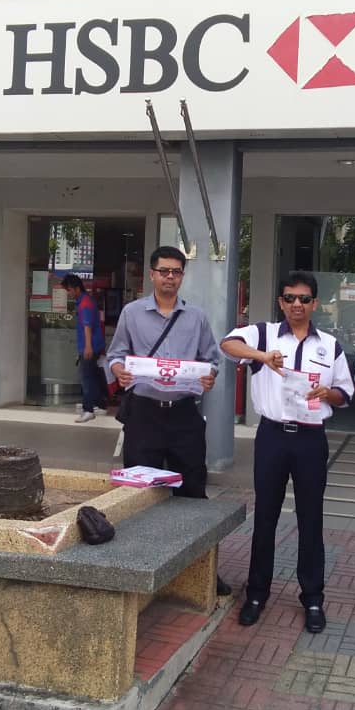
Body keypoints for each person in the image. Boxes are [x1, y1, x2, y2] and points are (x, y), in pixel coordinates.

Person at [220, 272, 355, 634]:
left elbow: (346, 393)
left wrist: (328, 394)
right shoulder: (263, 334)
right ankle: (256, 594)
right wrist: (262, 357)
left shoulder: (330, 345)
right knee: (265, 516)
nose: (297, 304)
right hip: (272, 437)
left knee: (311, 519)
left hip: (311, 439)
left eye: (304, 299)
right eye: (290, 298)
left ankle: (312, 598)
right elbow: (228, 344)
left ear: (315, 304)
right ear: (281, 302)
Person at [107, 245, 231, 597]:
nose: (170, 278)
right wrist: (119, 370)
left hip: (183, 415)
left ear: (182, 276)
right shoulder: (132, 313)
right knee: (138, 493)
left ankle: (201, 571)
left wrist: (209, 376)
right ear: (152, 274)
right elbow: (115, 354)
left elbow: (211, 359)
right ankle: (136, 566)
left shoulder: (196, 317)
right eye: (164, 271)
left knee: (193, 491)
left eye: (176, 272)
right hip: (144, 414)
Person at [61, 274, 107, 423]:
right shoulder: (87, 300)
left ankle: (88, 410)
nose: (68, 293)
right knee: (93, 376)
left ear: (76, 288)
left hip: (90, 346)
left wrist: (88, 347)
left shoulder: (85, 303)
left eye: (69, 290)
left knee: (86, 377)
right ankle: (99, 404)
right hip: (94, 345)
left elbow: (87, 326)